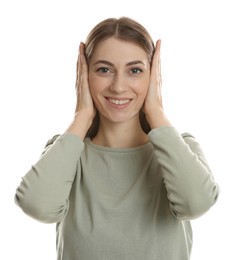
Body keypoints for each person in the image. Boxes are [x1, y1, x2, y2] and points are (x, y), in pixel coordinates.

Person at [15, 16, 220, 260]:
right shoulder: (66, 153)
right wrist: (82, 115)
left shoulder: (180, 149)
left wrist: (156, 111)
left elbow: (196, 203)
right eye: (104, 70)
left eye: (135, 70)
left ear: (153, 77)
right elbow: (37, 205)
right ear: (84, 75)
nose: (119, 86)